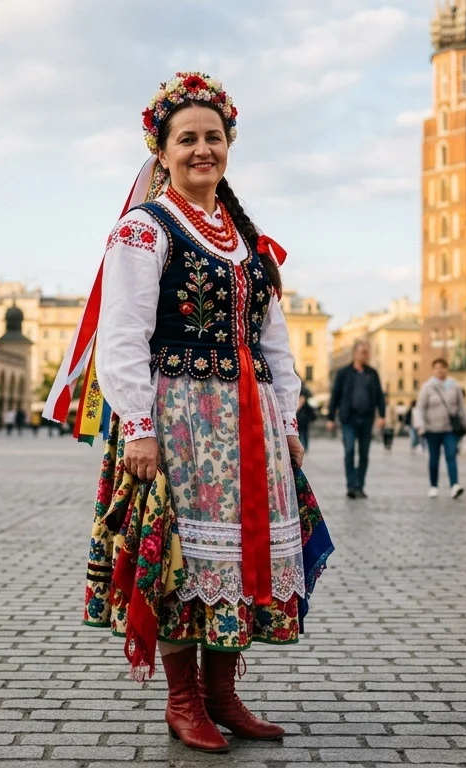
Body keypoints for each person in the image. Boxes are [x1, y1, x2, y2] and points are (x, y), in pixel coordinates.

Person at [69, 72, 314, 754]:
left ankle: (223, 694)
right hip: (176, 418)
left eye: (213, 136)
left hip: (248, 421)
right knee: (179, 560)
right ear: (163, 150)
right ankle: (184, 701)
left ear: (228, 143)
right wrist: (139, 429)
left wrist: (288, 424)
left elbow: (275, 341)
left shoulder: (248, 238)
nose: (202, 149)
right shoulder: (145, 231)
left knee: (234, 561)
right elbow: (121, 335)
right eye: (188, 139)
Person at [327, 340, 386, 499]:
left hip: (366, 418)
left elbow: (380, 395)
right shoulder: (343, 373)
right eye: (363, 352)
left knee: (364, 454)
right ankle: (351, 486)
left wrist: (382, 415)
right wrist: (331, 417)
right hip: (348, 418)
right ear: (355, 354)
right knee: (349, 450)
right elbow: (335, 395)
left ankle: (359, 485)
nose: (366, 355)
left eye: (367, 352)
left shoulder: (372, 373)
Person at [415, 358, 466, 499]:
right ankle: (433, 486)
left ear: (447, 369)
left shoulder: (455, 386)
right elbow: (420, 408)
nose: (440, 370)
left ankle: (455, 485)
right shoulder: (427, 387)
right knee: (434, 459)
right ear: (433, 370)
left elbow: (461, 408)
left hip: (450, 429)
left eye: (443, 367)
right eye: (437, 368)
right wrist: (420, 426)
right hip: (432, 429)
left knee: (451, 455)